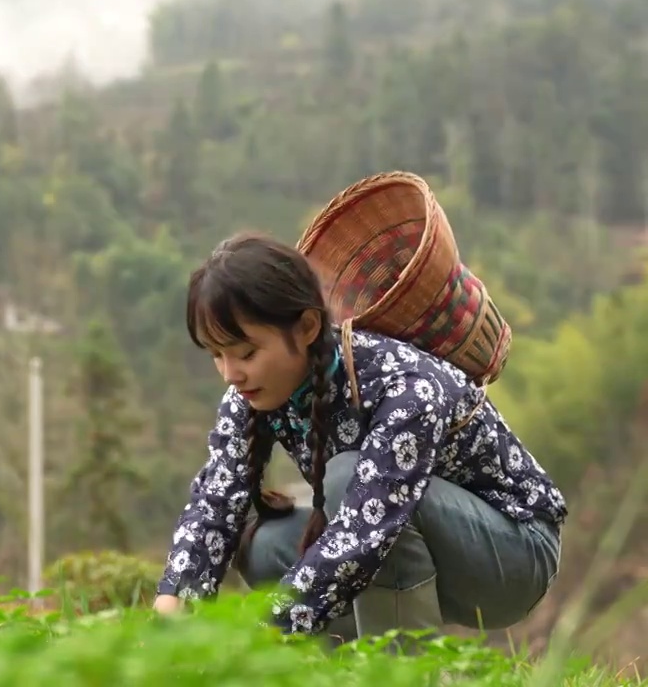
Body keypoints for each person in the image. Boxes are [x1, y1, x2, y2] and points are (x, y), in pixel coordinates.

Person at [152, 232, 566, 643]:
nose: (230, 373)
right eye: (216, 355)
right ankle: (348, 668)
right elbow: (216, 501)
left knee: (346, 478)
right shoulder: (249, 396)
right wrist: (171, 607)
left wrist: (254, 638)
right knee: (265, 547)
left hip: (512, 559)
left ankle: (405, 674)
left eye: (246, 354)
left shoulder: (404, 385)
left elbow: (364, 533)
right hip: (406, 550)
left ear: (308, 328)